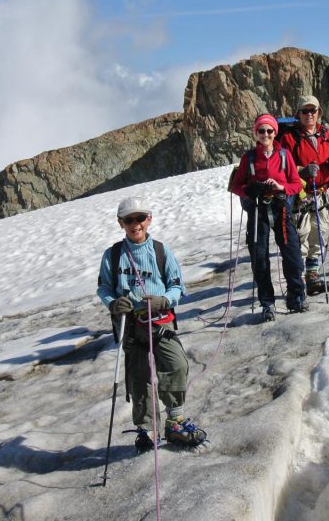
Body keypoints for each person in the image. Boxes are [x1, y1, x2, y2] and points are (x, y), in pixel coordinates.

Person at [96, 196, 207, 453]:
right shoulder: (112, 255)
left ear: (149, 219)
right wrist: (113, 303)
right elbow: (104, 288)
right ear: (121, 223)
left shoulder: (160, 251)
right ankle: (146, 430)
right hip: (132, 326)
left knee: (176, 364)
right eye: (129, 220)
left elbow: (177, 285)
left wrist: (164, 300)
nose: (135, 224)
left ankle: (175, 420)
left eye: (140, 218)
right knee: (139, 378)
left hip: (160, 322)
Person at [229, 114, 307, 321]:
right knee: (260, 258)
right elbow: (235, 186)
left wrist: (281, 187)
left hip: (281, 209)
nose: (266, 134)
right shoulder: (249, 158)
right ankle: (267, 303)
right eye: (261, 130)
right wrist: (251, 189)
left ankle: (296, 295)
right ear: (256, 133)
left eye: (270, 131)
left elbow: (296, 184)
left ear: (275, 133)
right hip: (258, 211)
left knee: (292, 254)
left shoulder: (284, 155)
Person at [277, 95, 329, 295]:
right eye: (305, 111)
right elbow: (281, 167)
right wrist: (301, 170)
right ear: (298, 113)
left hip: (321, 192)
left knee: (318, 235)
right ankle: (298, 281)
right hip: (301, 195)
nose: (309, 114)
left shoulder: (325, 134)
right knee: (301, 237)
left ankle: (312, 276)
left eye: (313, 110)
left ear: (319, 112)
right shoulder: (288, 138)